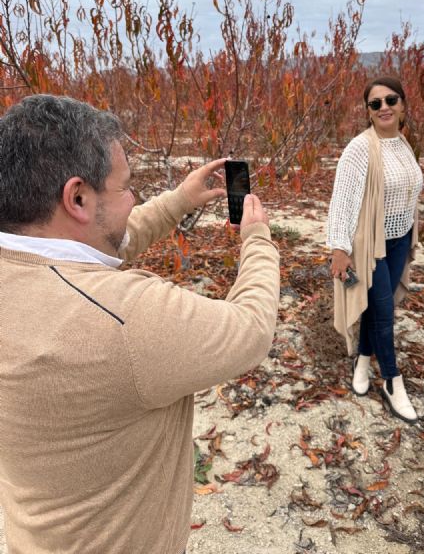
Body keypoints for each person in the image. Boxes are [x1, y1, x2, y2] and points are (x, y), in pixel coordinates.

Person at [0, 94, 280, 554]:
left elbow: (87, 251)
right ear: (78, 197)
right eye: (126, 187)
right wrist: (258, 240)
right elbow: (249, 329)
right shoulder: (125, 319)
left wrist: (179, 202)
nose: (134, 199)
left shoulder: (27, 263)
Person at [326, 76, 424, 424]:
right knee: (384, 315)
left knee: (379, 310)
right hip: (368, 247)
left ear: (403, 105)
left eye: (390, 100)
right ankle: (393, 381)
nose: (384, 107)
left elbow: (405, 181)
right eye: (375, 104)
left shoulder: (403, 144)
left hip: (399, 239)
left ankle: (363, 361)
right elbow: (341, 201)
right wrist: (339, 248)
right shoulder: (360, 148)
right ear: (368, 112)